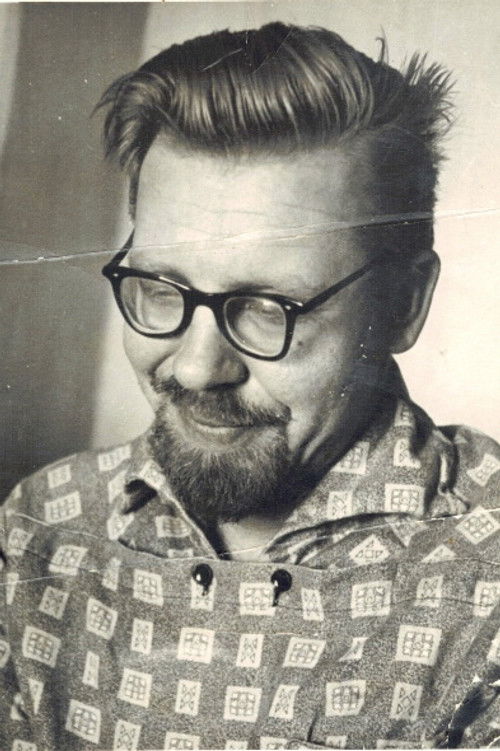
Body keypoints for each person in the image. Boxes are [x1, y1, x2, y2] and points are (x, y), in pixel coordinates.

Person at [1, 21, 499, 751]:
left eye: (270, 308)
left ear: (403, 304)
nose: (198, 369)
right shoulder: (36, 530)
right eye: (162, 289)